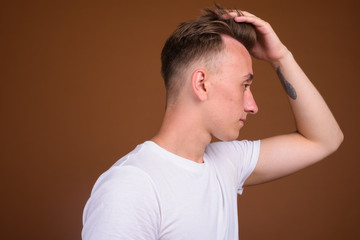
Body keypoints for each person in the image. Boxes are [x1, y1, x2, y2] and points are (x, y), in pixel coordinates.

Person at [82, 5, 343, 240]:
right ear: (201, 84)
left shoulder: (226, 163)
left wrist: (281, 57)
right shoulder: (131, 186)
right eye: (244, 85)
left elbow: (325, 139)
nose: (252, 106)